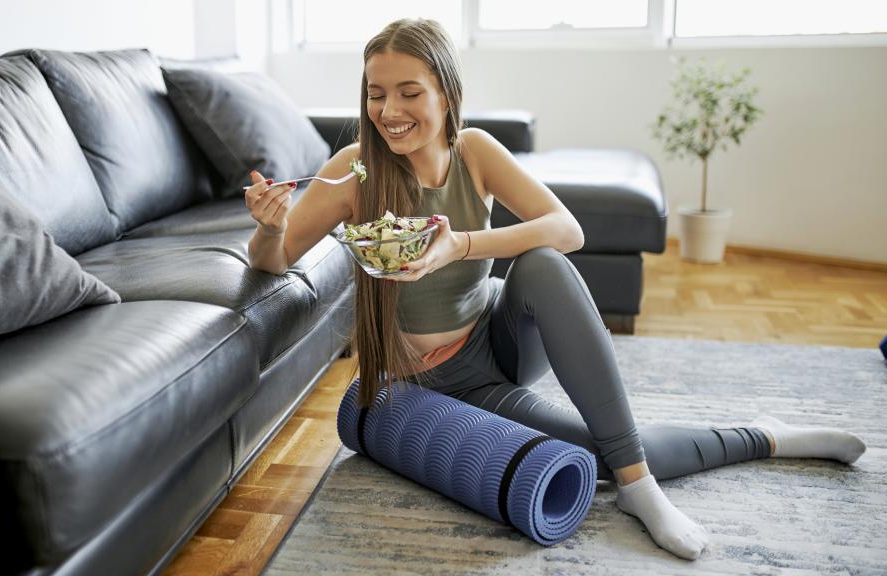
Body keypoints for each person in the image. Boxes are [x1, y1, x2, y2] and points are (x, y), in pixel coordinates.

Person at [244, 18, 866, 561]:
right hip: (433, 381)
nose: (390, 110)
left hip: (499, 340)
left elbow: (567, 228)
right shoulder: (353, 170)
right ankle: (766, 436)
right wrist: (270, 228)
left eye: (410, 92)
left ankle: (639, 487)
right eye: (377, 94)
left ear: (447, 94)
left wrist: (460, 245)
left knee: (541, 261)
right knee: (606, 448)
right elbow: (273, 260)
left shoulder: (476, 152)